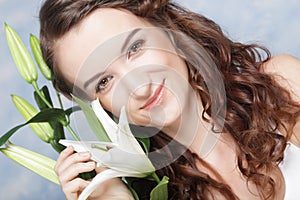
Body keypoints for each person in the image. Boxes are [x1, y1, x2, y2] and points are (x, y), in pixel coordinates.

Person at [38, 0, 300, 199]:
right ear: (95, 106)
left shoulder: (280, 87)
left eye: (134, 48)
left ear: (164, 27)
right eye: (104, 82)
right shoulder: (155, 190)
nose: (138, 88)